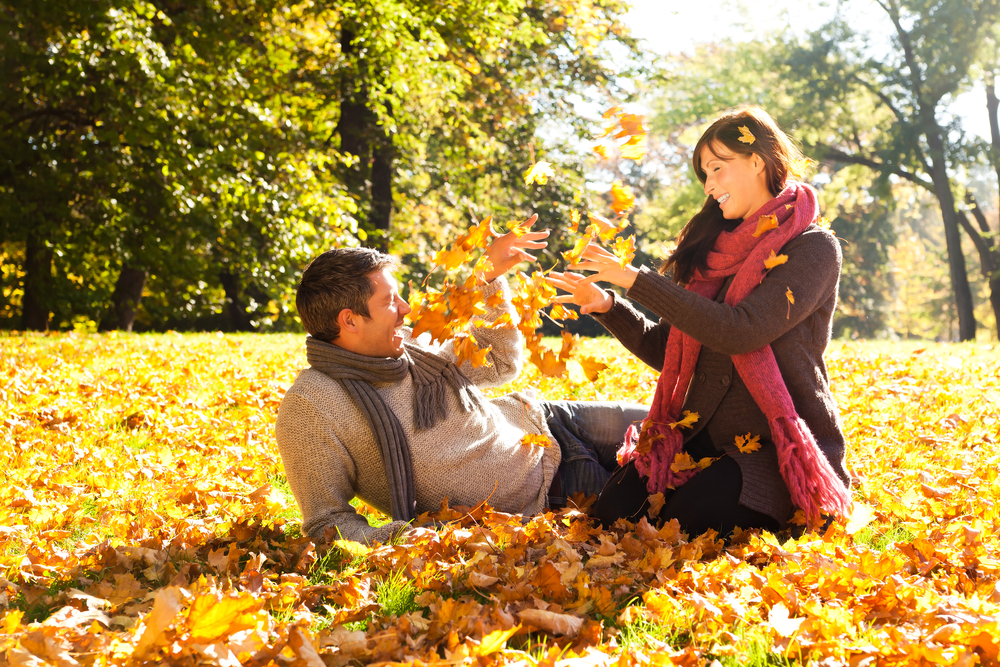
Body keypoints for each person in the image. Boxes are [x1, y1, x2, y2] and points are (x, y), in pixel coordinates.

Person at [547, 106, 852, 538]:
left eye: (716, 169)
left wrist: (638, 280)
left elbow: (740, 330)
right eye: (704, 175)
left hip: (770, 450)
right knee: (608, 520)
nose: (709, 186)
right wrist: (607, 306)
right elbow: (665, 347)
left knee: (682, 523)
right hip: (697, 441)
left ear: (757, 161)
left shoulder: (813, 248)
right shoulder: (714, 254)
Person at [275, 216, 648, 544]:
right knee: (687, 492)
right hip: (552, 491)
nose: (406, 309)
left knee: (681, 425)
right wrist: (400, 538)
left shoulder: (412, 348)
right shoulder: (312, 406)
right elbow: (327, 521)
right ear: (349, 320)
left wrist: (488, 279)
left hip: (551, 423)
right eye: (390, 302)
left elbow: (499, 360)